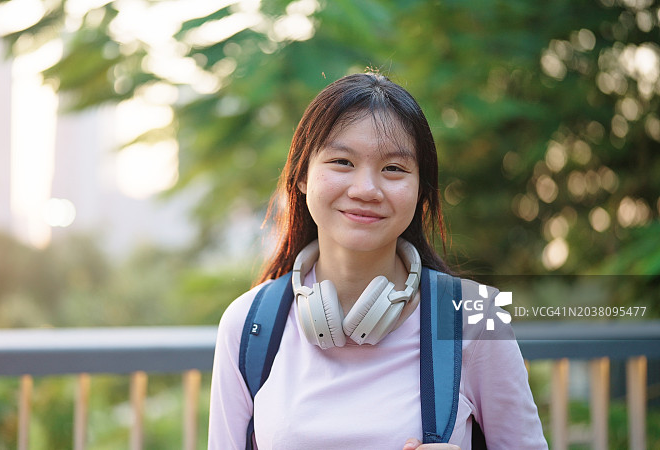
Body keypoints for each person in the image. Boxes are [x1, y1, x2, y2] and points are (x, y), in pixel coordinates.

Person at [208, 72, 547, 449]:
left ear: (420, 189)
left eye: (393, 169)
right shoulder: (247, 325)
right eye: (342, 161)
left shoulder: (474, 317)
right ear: (302, 175)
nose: (366, 189)